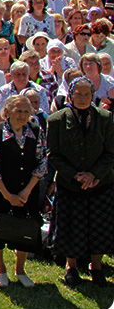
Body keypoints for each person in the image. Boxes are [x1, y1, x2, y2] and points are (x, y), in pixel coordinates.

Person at [47, 77, 114, 288]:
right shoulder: (56, 120)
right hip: (70, 184)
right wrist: (75, 175)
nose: (83, 98)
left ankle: (96, 268)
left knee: (99, 226)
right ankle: (71, 267)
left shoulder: (105, 118)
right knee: (70, 227)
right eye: (78, 94)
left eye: (87, 94)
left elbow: (111, 153)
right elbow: (53, 154)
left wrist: (94, 175)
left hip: (100, 183)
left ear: (93, 95)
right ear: (70, 95)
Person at [0, 94, 47, 288]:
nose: (23, 115)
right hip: (1, 190)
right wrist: (8, 196)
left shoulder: (36, 131)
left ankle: (20, 270)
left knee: (26, 231)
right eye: (19, 110)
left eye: (27, 111)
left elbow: (42, 161)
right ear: (7, 111)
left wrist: (25, 192)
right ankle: (1, 269)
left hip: (28, 190)